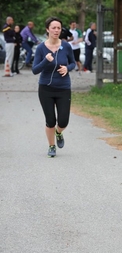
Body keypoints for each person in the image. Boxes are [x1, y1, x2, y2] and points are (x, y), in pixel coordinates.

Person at [32, 17, 76, 157]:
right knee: (50, 121)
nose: (57, 30)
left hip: (63, 88)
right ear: (47, 30)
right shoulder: (41, 48)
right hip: (46, 88)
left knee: (63, 121)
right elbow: (34, 70)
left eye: (59, 28)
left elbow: (73, 63)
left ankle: (59, 132)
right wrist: (46, 60)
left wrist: (67, 68)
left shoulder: (66, 46)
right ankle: (51, 146)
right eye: (54, 28)